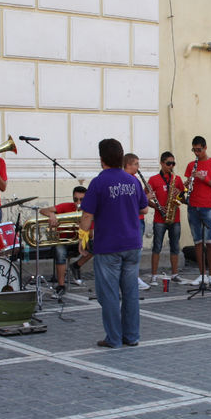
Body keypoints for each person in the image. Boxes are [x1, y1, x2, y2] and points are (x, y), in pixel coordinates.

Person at [78, 139, 148, 349]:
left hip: (108, 245)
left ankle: (114, 338)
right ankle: (132, 336)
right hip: (132, 243)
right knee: (130, 293)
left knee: (108, 294)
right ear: (121, 157)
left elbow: (87, 215)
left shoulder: (99, 182)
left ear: (102, 160)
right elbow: (143, 209)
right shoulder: (132, 181)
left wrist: (82, 238)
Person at [185, 136, 211, 288]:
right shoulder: (191, 165)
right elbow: (187, 188)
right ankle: (202, 275)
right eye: (194, 150)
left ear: (205, 147)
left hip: (207, 206)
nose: (196, 153)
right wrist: (187, 183)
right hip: (192, 206)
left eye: (199, 150)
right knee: (198, 241)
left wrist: (205, 179)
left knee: (209, 241)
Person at [38, 187, 92, 296]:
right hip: (63, 241)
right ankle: (61, 285)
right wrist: (52, 215)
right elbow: (42, 210)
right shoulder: (66, 206)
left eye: (81, 200)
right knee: (60, 251)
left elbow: (91, 234)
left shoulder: (89, 211)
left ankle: (76, 265)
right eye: (75, 199)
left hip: (79, 241)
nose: (78, 203)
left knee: (97, 245)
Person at [147, 152, 186, 285]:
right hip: (159, 218)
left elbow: (184, 199)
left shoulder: (178, 179)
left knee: (175, 246)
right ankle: (153, 276)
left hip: (175, 218)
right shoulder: (153, 179)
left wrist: (179, 194)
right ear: (162, 163)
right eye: (169, 163)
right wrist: (157, 207)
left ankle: (175, 274)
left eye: (173, 163)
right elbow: (145, 198)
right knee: (156, 247)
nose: (171, 166)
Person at [123, 153, 153, 290]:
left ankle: (133, 277)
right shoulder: (127, 179)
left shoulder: (135, 179)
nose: (138, 167)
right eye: (136, 164)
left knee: (136, 251)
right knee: (134, 252)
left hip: (139, 219)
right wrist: (147, 197)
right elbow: (134, 204)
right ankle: (133, 278)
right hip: (133, 220)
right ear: (128, 165)